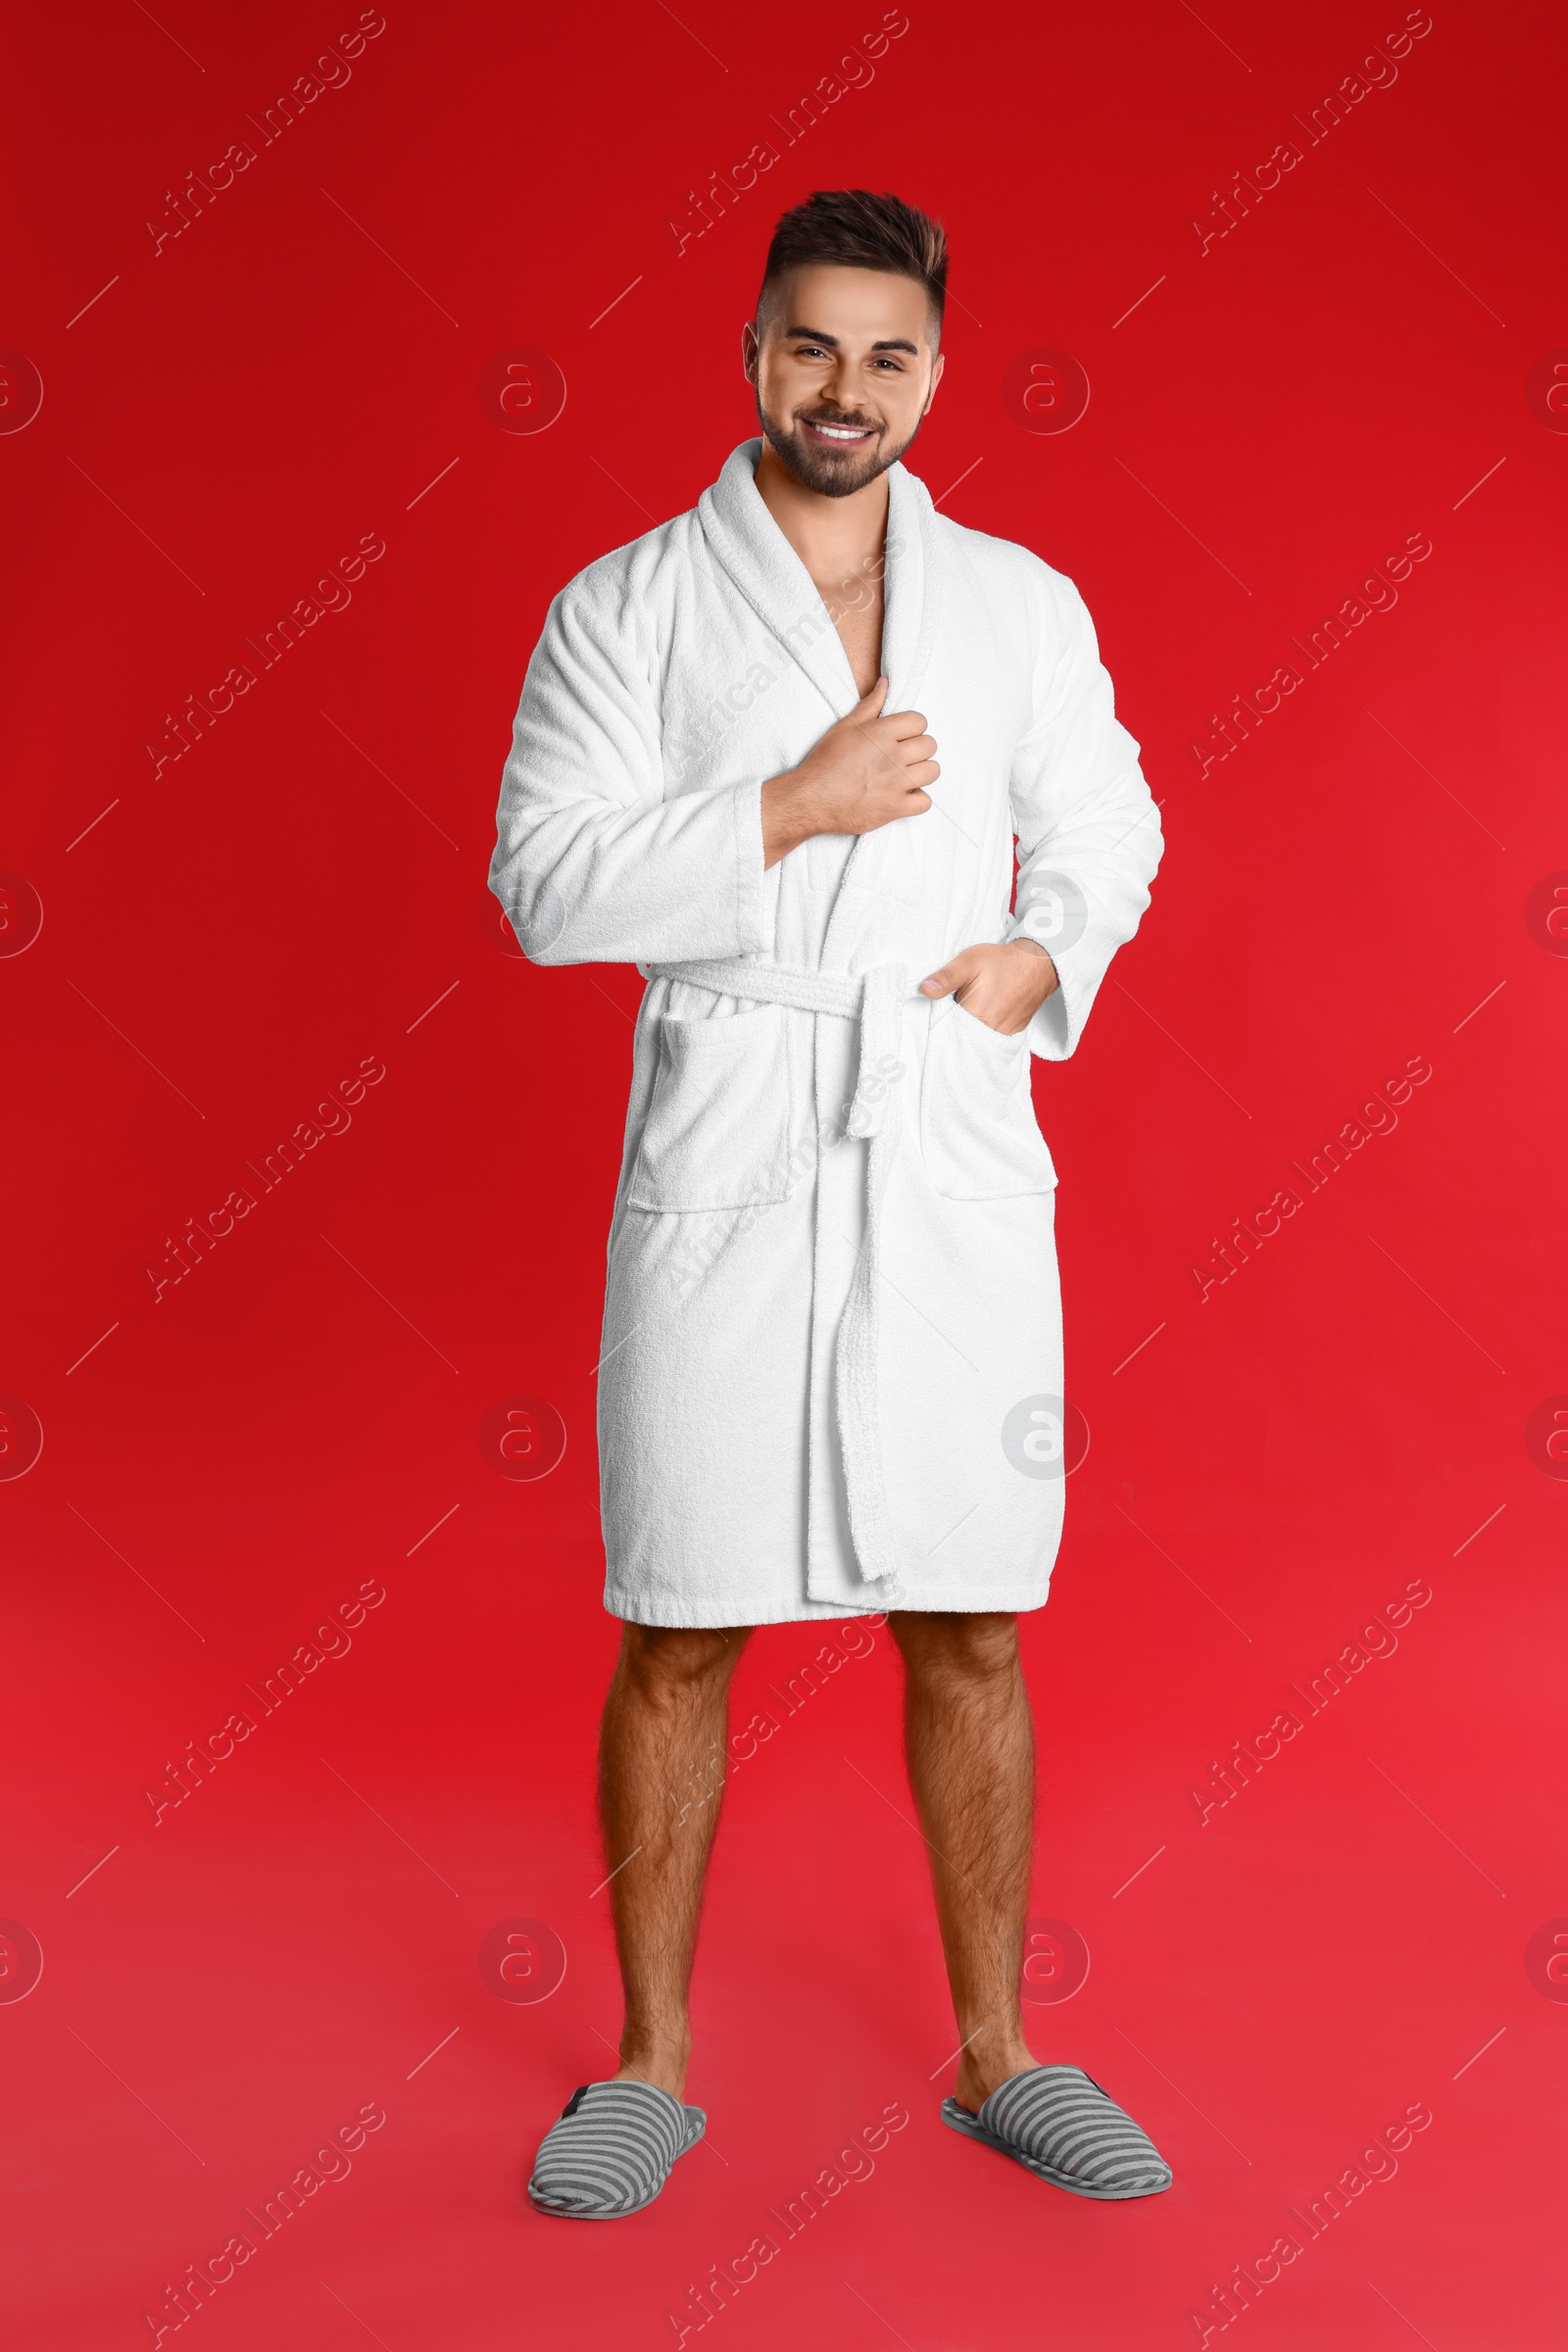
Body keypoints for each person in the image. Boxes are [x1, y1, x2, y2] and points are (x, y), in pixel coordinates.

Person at [488, 188, 1169, 2220]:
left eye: (885, 353)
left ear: (936, 372)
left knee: (970, 1614)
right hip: (740, 1133)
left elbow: (1113, 817)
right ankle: (648, 2067)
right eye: (807, 347)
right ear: (749, 358)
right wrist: (787, 802)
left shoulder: (1018, 603)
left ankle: (997, 2052)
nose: (843, 388)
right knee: (679, 1619)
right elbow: (542, 885)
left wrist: (1040, 959)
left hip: (937, 1132)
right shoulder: (625, 606)